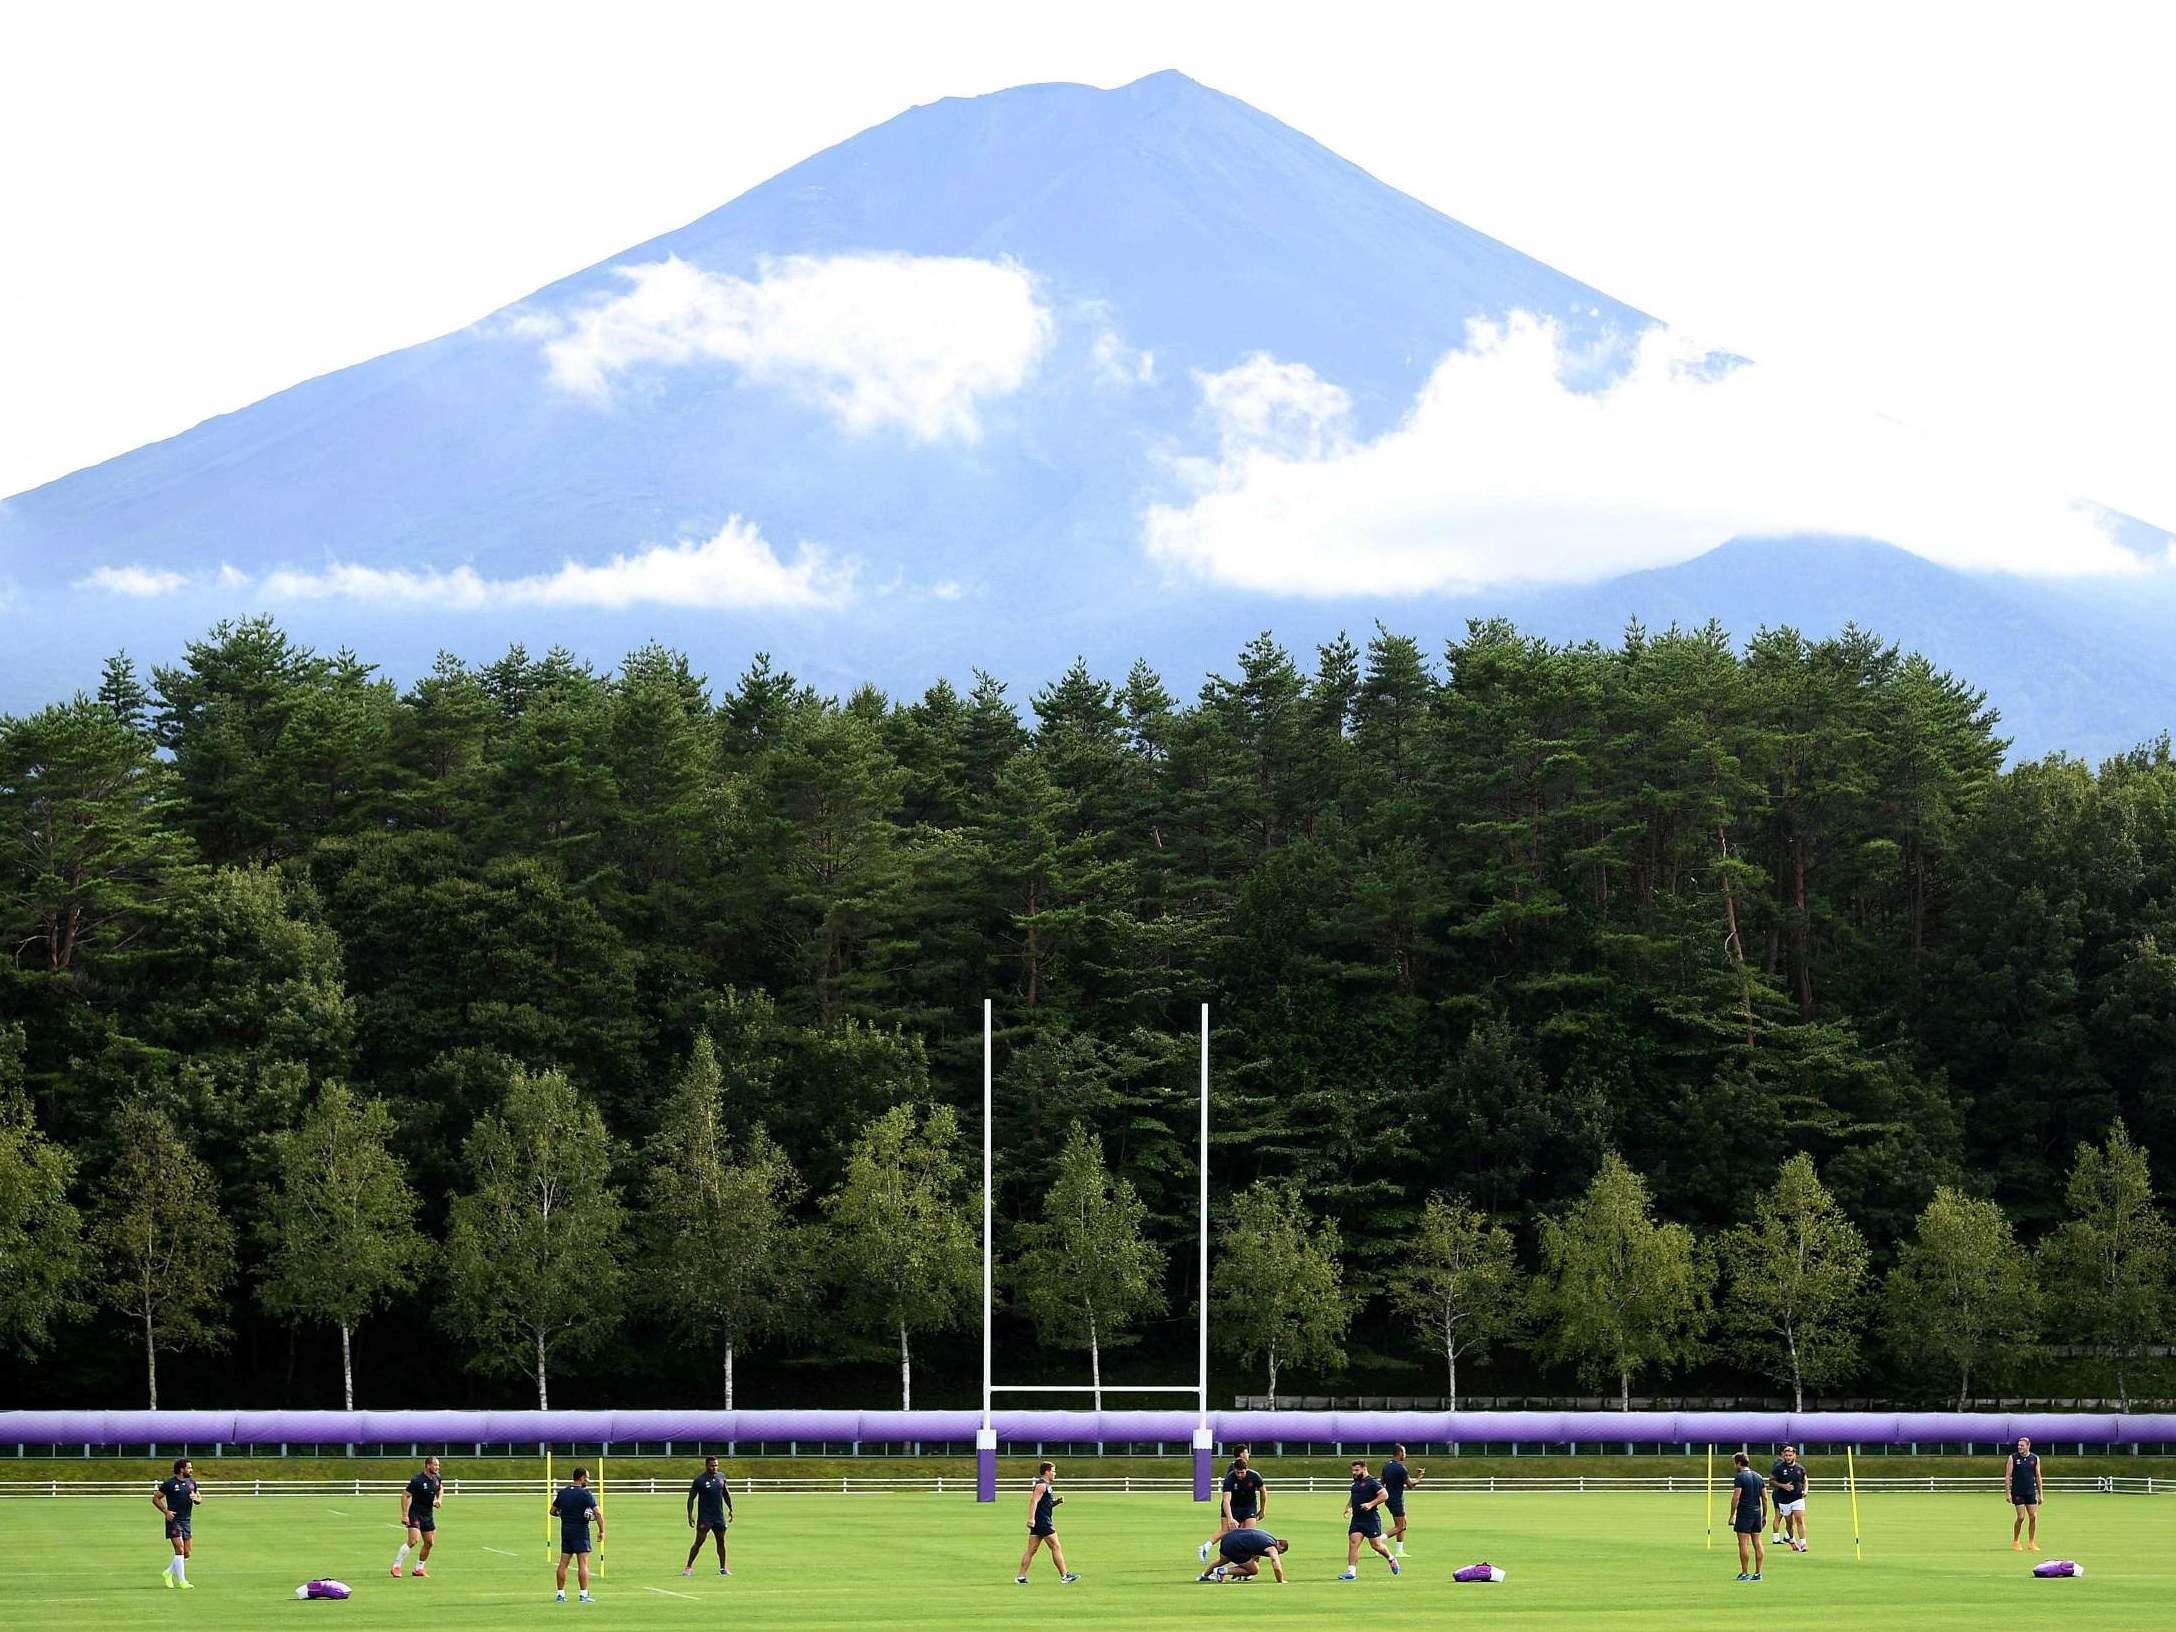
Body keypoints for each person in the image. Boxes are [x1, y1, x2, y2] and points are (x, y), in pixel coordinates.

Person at [1200, 1445, 1267, 1562]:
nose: (1240, 1475)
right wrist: (1230, 1518)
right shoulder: (1231, 1474)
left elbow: (1263, 1492)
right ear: (1241, 1454)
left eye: (1242, 1472)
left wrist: (1262, 1509)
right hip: (1232, 1505)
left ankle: (1248, 1565)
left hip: (1248, 1506)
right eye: (1246, 1452)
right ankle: (1208, 1548)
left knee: (1249, 1535)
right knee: (1228, 1531)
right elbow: (1226, 1499)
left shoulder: (1254, 1475)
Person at [1015, 1461, 1078, 1585]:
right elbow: (1034, 1501)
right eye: (1053, 1471)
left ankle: (1021, 1577)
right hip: (1043, 1522)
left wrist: (1056, 1502)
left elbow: (1044, 1504)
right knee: (1056, 1546)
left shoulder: (1046, 1486)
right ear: (1047, 1472)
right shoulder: (1041, 1485)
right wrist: (1031, 1518)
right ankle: (1065, 1576)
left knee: (1031, 1550)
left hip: (1040, 1521)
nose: (1055, 1473)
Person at [551, 1466, 606, 1604]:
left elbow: (552, 1511)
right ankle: (583, 1594)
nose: (588, 1480)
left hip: (566, 1531)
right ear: (581, 1478)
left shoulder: (563, 1493)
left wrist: (564, 1514)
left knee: (563, 1563)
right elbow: (598, 1513)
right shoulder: (585, 1494)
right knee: (583, 1564)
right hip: (581, 1531)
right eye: (587, 1477)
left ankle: (560, 1594)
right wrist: (601, 1530)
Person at [1339, 1459, 1400, 1580]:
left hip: (1371, 1519)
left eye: (1357, 1470)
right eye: (1353, 1470)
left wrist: (1371, 1504)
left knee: (1376, 1545)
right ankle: (1351, 1572)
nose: (1354, 1473)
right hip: (1357, 1519)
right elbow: (1354, 1495)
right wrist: (1348, 1506)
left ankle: (1391, 1558)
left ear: (1364, 1469)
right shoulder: (1355, 1482)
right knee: (1353, 1543)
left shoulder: (1372, 1482)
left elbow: (1384, 1495)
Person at [152, 1457, 203, 1589]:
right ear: (181, 1469)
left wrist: (196, 1499)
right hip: (173, 1520)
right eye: (189, 1467)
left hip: (186, 1520)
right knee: (179, 1549)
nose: (191, 1470)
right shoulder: (169, 1484)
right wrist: (166, 1511)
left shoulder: (192, 1483)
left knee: (187, 1553)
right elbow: (156, 1498)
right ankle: (182, 1581)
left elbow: (199, 1498)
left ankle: (168, 1573)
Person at [683, 1454, 735, 1577]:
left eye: (716, 1465)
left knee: (721, 1541)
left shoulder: (721, 1477)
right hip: (705, 1517)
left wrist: (731, 1509)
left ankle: (723, 1568)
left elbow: (726, 1494)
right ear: (706, 1466)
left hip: (718, 1517)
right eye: (712, 1465)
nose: (714, 1467)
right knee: (699, 1542)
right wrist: (690, 1515)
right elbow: (691, 1498)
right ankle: (688, 1567)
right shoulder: (699, 1480)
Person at [392, 1454, 443, 1577]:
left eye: (438, 1465)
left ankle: (419, 1568)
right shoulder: (417, 1480)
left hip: (428, 1514)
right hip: (415, 1513)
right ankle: (396, 1567)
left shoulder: (437, 1478)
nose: (437, 1467)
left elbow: (440, 1488)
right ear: (427, 1465)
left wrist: (439, 1500)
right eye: (435, 1465)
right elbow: (405, 1495)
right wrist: (405, 1515)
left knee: (429, 1542)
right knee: (413, 1540)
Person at [1198, 1528, 1289, 1583]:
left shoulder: (1269, 1537)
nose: (1278, 1554)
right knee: (1254, 1570)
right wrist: (1280, 1580)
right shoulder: (1272, 1548)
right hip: (1236, 1546)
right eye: (1280, 1552)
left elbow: (1253, 1544)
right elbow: (1276, 1566)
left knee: (1223, 1560)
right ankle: (1221, 1571)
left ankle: (1204, 1576)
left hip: (1227, 1538)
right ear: (1280, 1547)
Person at [1729, 1451, 1767, 1582]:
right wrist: (1764, 1515)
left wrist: (1732, 1515)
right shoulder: (1758, 1476)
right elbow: (1765, 1498)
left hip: (1745, 1512)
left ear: (1739, 1463)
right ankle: (1758, 1573)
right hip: (1757, 1511)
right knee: (1757, 1542)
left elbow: (1736, 1498)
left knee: (1743, 1544)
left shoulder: (1740, 1477)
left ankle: (1745, 1572)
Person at [1381, 1443, 1424, 1557]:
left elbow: (1381, 1483)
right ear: (1400, 1453)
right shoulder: (1401, 1468)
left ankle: (1399, 1550)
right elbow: (1410, 1485)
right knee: (1401, 1526)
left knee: (1403, 1522)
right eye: (1404, 1452)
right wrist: (1420, 1476)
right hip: (1396, 1500)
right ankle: (1379, 1540)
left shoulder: (1386, 1466)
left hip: (1389, 1499)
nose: (1405, 1455)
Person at [2007, 1436, 2044, 1552]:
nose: (2019, 1447)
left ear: (2028, 1446)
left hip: (2030, 1491)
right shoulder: (2013, 1458)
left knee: (2033, 1516)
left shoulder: (2035, 1458)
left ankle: (2031, 1542)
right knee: (2021, 1517)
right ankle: (2016, 1541)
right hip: (2018, 1491)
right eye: (2018, 1445)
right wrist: (2008, 1493)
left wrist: (2040, 1494)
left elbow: (2038, 1476)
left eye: (2022, 1445)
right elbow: (2008, 1476)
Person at [1768, 1445, 1807, 1553]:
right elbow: (1771, 1481)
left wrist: (1806, 1490)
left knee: (1799, 1519)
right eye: (1786, 1455)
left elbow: (1804, 1480)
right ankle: (1792, 1540)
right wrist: (1783, 1486)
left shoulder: (1800, 1468)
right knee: (1789, 1524)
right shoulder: (1779, 1468)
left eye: (1790, 1455)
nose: (1788, 1457)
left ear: (1795, 1455)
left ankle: (1803, 1543)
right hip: (1784, 1500)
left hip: (1798, 1498)